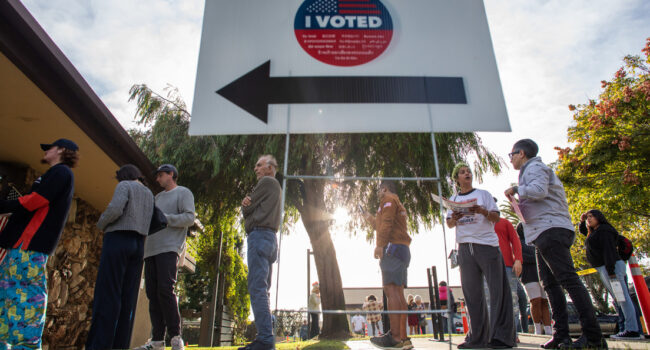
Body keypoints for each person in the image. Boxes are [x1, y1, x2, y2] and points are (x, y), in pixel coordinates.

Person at [505, 139, 605, 349]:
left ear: (521, 153)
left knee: (568, 280)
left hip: (551, 230)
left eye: (511, 154)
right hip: (541, 232)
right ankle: (562, 334)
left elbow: (539, 190)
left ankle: (594, 337)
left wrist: (517, 189)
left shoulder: (535, 168)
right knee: (550, 284)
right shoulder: (529, 171)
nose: (511, 159)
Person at [0, 138, 78, 349]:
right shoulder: (52, 175)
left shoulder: (61, 173)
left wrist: (5, 204)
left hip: (30, 248)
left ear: (61, 150)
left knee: (26, 297)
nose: (45, 152)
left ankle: (26, 345)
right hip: (20, 247)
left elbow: (35, 201)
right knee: (9, 295)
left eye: (49, 148)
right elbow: (29, 206)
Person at [86, 165, 154, 349]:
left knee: (108, 292)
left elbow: (115, 209)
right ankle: (120, 344)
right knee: (128, 297)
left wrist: (101, 223)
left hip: (118, 239)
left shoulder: (125, 185)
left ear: (123, 176)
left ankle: (99, 345)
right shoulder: (149, 193)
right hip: (139, 244)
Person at [447, 162, 514, 349]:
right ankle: (477, 338)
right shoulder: (453, 199)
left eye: (468, 171)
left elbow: (496, 217)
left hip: (486, 246)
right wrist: (455, 218)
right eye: (462, 172)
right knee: (472, 293)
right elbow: (449, 224)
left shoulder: (483, 194)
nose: (467, 173)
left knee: (497, 291)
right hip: (464, 248)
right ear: (457, 179)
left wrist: (483, 211)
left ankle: (501, 338)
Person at [135, 164, 195, 350]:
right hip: (150, 249)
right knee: (152, 293)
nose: (157, 179)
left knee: (165, 289)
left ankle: (176, 337)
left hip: (169, 247)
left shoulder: (183, 193)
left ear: (171, 174)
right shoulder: (157, 197)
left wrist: (166, 218)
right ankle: (157, 341)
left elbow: (189, 218)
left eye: (160, 175)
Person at [238, 155, 282, 350]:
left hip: (259, 235)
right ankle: (265, 336)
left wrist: (245, 204)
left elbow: (247, 211)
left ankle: (264, 339)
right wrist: (247, 205)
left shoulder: (266, 182)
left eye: (259, 165)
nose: (255, 169)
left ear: (270, 168)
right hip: (270, 239)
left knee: (257, 288)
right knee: (263, 289)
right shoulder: (276, 188)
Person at [363, 180, 413, 349]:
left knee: (391, 291)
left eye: (379, 190)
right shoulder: (396, 201)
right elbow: (382, 223)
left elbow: (387, 223)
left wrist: (379, 245)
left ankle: (396, 337)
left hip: (392, 249)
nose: (378, 194)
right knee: (398, 292)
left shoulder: (388, 199)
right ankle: (403, 337)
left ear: (384, 189)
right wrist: (369, 218)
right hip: (402, 249)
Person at [579, 209, 643, 340]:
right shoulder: (596, 232)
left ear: (599, 217)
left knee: (623, 299)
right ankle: (628, 328)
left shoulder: (604, 230)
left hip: (611, 267)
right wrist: (581, 221)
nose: (589, 219)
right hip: (606, 268)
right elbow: (585, 233)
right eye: (588, 218)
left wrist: (611, 271)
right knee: (619, 299)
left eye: (592, 216)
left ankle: (632, 330)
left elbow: (609, 251)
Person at [493, 205, 525, 335]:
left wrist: (518, 259)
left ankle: (512, 333)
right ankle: (493, 332)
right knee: (490, 300)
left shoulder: (505, 223)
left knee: (511, 300)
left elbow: (515, 240)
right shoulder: (481, 225)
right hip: (488, 267)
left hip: (507, 266)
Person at [517, 223, 552, 335]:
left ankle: (548, 328)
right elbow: (521, 257)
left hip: (542, 274)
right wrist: (537, 258)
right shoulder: (519, 243)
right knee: (535, 301)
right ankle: (537, 328)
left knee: (545, 302)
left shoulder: (536, 240)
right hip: (529, 276)